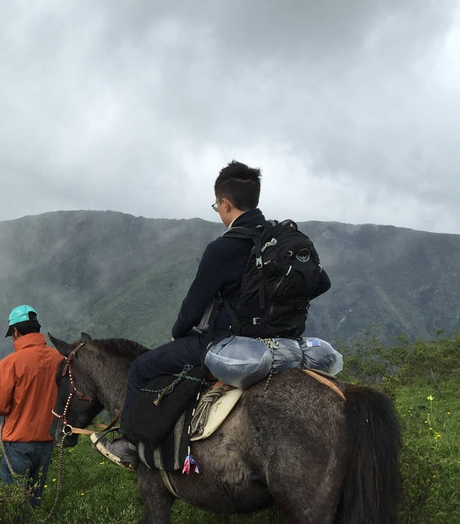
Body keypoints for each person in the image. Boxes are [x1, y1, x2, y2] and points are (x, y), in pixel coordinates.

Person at [94, 160, 331, 468]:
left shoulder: (224, 247)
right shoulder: (282, 241)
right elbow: (321, 282)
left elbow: (195, 304)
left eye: (216, 204)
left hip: (229, 342)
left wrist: (178, 332)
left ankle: (129, 444)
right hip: (286, 340)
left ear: (225, 203)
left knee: (140, 367)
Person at [0, 305, 62, 524]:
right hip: (47, 442)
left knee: (13, 503)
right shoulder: (58, 359)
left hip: (17, 443)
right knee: (33, 500)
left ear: (16, 332)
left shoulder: (8, 364)